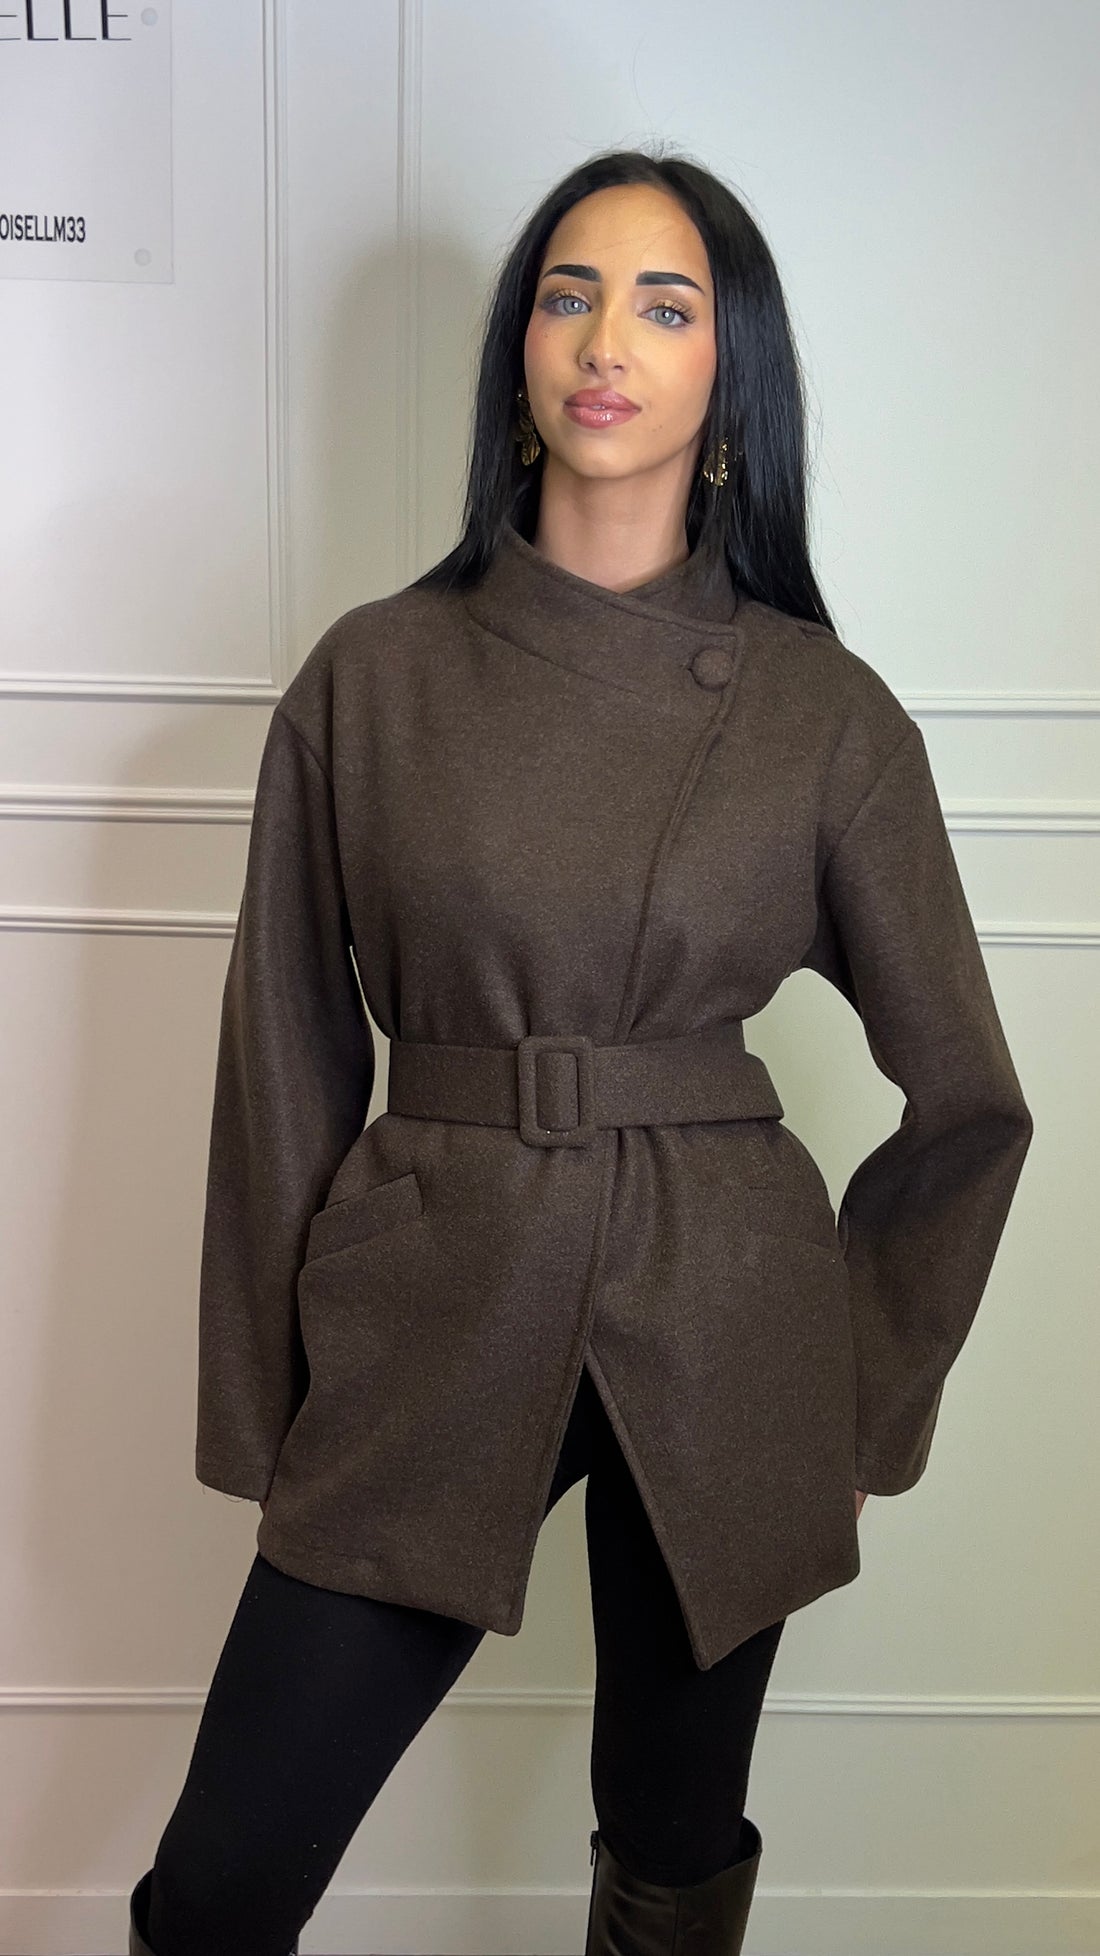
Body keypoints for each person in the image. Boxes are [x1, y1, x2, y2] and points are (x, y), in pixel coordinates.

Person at [127, 146, 1032, 1956]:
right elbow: (284, 1058)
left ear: (730, 375)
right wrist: (266, 1397)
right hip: (437, 1275)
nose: (606, 340)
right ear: (520, 351)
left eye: (665, 305)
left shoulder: (823, 712)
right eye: (569, 294)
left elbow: (970, 1099)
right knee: (219, 1886)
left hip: (729, 1307)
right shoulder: (374, 677)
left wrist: (868, 1392)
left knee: (674, 1846)